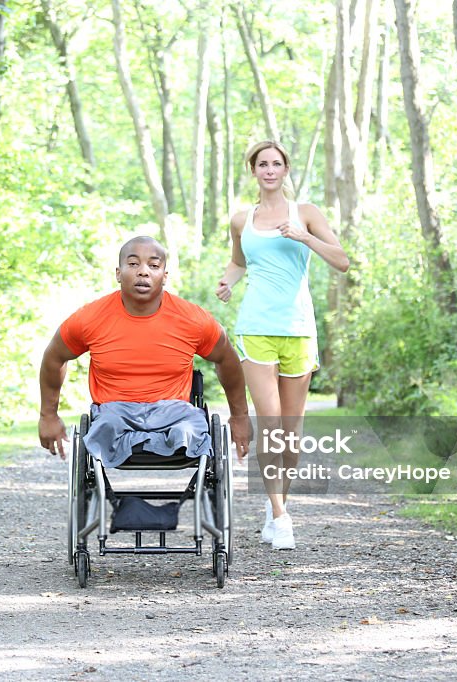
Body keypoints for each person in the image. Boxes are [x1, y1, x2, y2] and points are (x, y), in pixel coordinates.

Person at [215, 140, 349, 550]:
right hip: (256, 326)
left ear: (286, 170)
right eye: (262, 164)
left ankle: (278, 506)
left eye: (276, 163)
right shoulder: (242, 219)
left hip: (299, 328)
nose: (269, 169)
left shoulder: (305, 213)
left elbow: (342, 260)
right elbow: (239, 261)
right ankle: (279, 514)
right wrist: (228, 281)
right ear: (253, 171)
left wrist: (304, 237)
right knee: (269, 423)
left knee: (291, 433)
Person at [39, 236, 252, 467]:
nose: (143, 272)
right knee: (105, 426)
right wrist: (48, 416)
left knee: (192, 427)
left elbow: (226, 358)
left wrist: (239, 416)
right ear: (118, 273)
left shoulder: (193, 320)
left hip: (175, 413)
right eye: (133, 264)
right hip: (114, 412)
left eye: (153, 265)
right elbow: (55, 357)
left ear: (165, 276)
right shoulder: (90, 318)